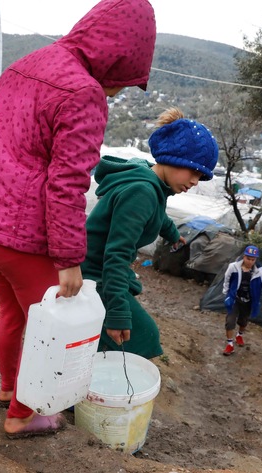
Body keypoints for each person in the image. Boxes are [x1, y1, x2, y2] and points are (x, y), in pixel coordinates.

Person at [0, 0, 156, 439]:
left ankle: (10, 391)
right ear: (118, 56)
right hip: (25, 239)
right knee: (47, 329)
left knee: (12, 313)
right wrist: (69, 259)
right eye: (122, 83)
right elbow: (67, 183)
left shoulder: (25, 65)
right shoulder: (83, 92)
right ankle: (24, 415)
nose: (116, 93)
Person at [81, 107, 219, 358]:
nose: (196, 181)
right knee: (145, 338)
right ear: (175, 159)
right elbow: (116, 256)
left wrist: (171, 232)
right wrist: (117, 313)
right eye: (194, 171)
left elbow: (156, 214)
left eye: (202, 176)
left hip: (99, 268)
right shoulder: (142, 192)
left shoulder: (150, 181)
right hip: (93, 275)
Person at [221, 245, 262, 356]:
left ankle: (239, 334)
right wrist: (226, 293)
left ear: (256, 260)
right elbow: (227, 279)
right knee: (230, 321)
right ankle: (230, 345)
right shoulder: (233, 267)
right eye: (248, 258)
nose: (250, 261)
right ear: (244, 257)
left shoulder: (260, 272)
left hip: (249, 301)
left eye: (252, 259)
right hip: (235, 299)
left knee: (243, 321)